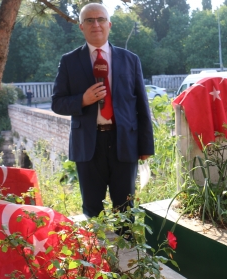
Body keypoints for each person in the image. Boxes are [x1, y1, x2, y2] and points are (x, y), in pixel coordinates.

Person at [51, 3, 154, 222]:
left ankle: (127, 251)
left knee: (125, 209)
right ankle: (95, 253)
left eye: (100, 19)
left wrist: (146, 146)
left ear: (109, 24)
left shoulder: (130, 60)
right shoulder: (69, 62)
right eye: (89, 20)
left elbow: (142, 107)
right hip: (88, 144)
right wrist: (83, 100)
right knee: (92, 210)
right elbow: (57, 103)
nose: (95, 24)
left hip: (124, 142)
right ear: (81, 27)